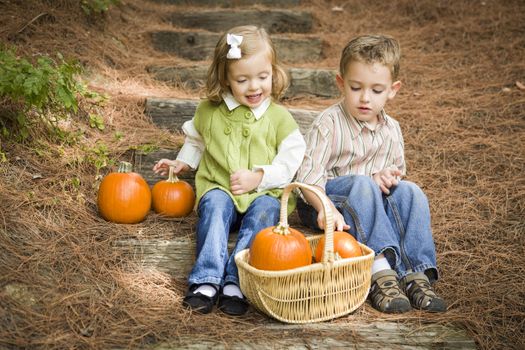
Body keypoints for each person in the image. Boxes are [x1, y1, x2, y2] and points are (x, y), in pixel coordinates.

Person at [153, 25, 306, 316]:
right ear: (225, 78)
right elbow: (197, 141)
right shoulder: (209, 111)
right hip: (220, 188)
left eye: (263, 77)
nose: (254, 87)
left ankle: (236, 281)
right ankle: (206, 280)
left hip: (263, 193)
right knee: (213, 205)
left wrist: (259, 177)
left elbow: (290, 161)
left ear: (273, 72)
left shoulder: (279, 118)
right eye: (243, 79)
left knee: (265, 212)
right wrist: (182, 163)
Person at [295, 34, 447, 313]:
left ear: (393, 89)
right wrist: (326, 208)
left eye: (377, 90)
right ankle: (380, 272)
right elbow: (307, 179)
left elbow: (395, 174)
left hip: (370, 206)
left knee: (411, 191)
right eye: (356, 87)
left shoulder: (392, 129)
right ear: (341, 83)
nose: (365, 98)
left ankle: (416, 274)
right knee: (364, 184)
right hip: (325, 205)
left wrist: (388, 177)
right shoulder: (328, 123)